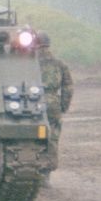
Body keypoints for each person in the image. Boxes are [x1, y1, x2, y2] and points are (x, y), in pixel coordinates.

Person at [37, 33, 74, 171]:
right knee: (52, 138)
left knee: (32, 136)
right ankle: (47, 173)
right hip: (53, 104)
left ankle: (30, 168)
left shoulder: (30, 63)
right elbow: (68, 87)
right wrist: (63, 105)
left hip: (33, 104)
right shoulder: (59, 63)